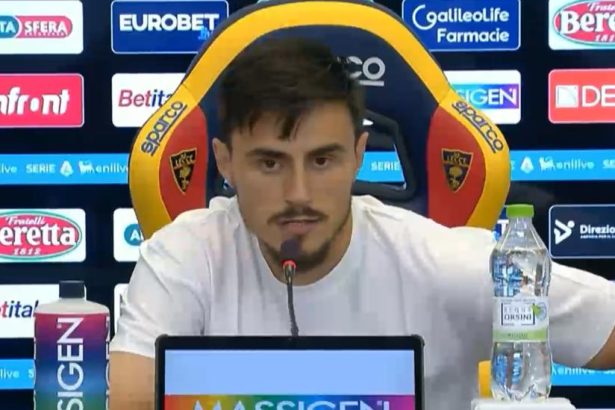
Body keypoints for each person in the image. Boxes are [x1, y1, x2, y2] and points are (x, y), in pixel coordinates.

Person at [109, 37, 615, 410]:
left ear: (357, 155)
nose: (298, 193)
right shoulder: (187, 256)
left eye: (322, 160)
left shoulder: (441, 264)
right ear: (226, 162)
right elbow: (129, 400)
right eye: (270, 162)